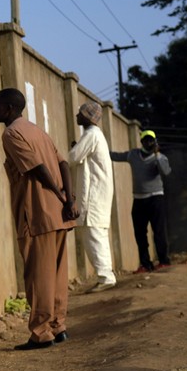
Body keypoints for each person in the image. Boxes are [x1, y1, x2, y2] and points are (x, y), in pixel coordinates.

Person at [0, 88, 78, 350]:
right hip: (60, 214)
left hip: (37, 214)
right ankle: (57, 326)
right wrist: (68, 199)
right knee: (57, 273)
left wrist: (58, 196)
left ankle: (41, 333)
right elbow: (63, 164)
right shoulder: (37, 130)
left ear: (8, 108)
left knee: (39, 276)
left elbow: (37, 169)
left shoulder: (11, 133)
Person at [67, 101, 116, 291]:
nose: (77, 116)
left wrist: (74, 149)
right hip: (99, 193)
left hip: (93, 195)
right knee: (98, 236)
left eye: (80, 113)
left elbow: (73, 157)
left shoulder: (91, 135)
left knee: (93, 235)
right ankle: (106, 275)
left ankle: (106, 277)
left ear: (87, 117)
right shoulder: (95, 135)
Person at [110, 130, 172, 272]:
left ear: (155, 142)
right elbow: (115, 156)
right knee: (140, 233)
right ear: (141, 141)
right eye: (146, 140)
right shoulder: (133, 154)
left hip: (156, 198)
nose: (148, 143)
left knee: (159, 231)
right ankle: (145, 264)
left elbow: (166, 172)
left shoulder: (160, 157)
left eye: (151, 140)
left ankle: (164, 261)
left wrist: (157, 155)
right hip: (139, 199)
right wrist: (95, 150)